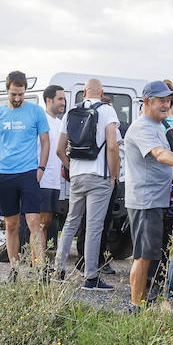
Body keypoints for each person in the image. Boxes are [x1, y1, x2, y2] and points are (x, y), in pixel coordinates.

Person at [54, 78, 121, 290]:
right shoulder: (107, 111)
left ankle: (58, 270)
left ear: (84, 93)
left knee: (71, 222)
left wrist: (71, 167)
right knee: (93, 226)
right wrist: (114, 174)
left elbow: (59, 149)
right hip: (99, 177)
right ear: (101, 93)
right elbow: (112, 146)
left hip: (77, 176)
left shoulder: (70, 113)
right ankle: (90, 277)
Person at [123, 81, 173, 312]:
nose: (166, 104)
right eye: (161, 100)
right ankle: (135, 306)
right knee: (143, 255)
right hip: (145, 201)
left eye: (169, 100)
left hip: (157, 199)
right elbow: (159, 154)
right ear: (147, 101)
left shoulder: (157, 125)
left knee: (152, 254)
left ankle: (144, 301)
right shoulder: (142, 127)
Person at [0, 71, 50, 280]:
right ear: (8, 91)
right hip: (5, 175)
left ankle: (39, 270)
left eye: (21, 94)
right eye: (14, 94)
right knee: (11, 224)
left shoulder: (36, 112)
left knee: (34, 222)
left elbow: (46, 141)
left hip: (29, 173)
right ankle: (13, 269)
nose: (18, 98)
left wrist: (41, 169)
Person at [37, 84, 68, 274]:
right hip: (41, 179)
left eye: (64, 99)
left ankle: (43, 262)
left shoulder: (60, 123)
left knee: (48, 222)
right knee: (40, 222)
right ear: (49, 100)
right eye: (60, 99)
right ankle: (38, 264)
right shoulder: (41, 121)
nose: (63, 102)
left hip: (55, 181)